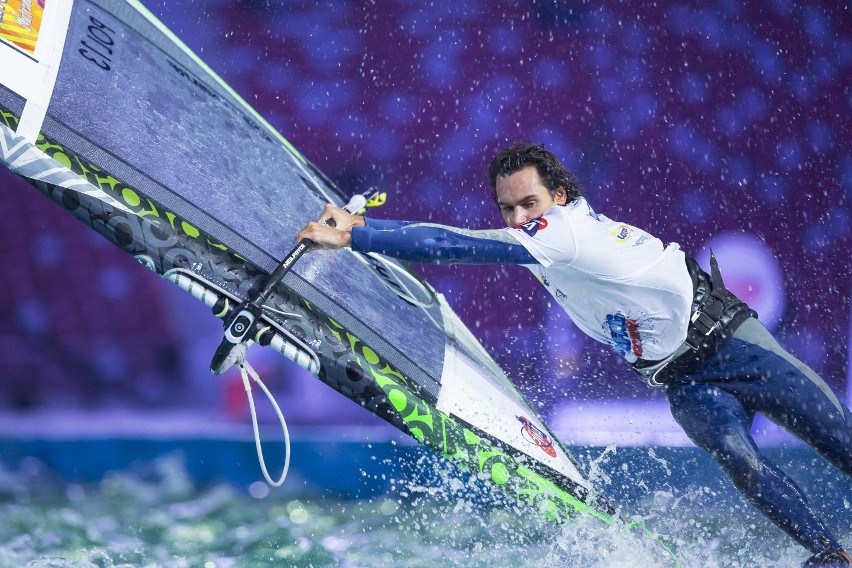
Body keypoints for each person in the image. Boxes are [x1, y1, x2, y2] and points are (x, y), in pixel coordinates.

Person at [296, 142, 852, 566]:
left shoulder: (562, 231)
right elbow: (471, 237)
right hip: (685, 380)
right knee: (744, 463)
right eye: (507, 208)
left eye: (528, 204)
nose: (517, 219)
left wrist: (358, 234)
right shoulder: (545, 245)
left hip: (735, 341)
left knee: (840, 440)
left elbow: (458, 243)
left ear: (559, 197)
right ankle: (832, 558)